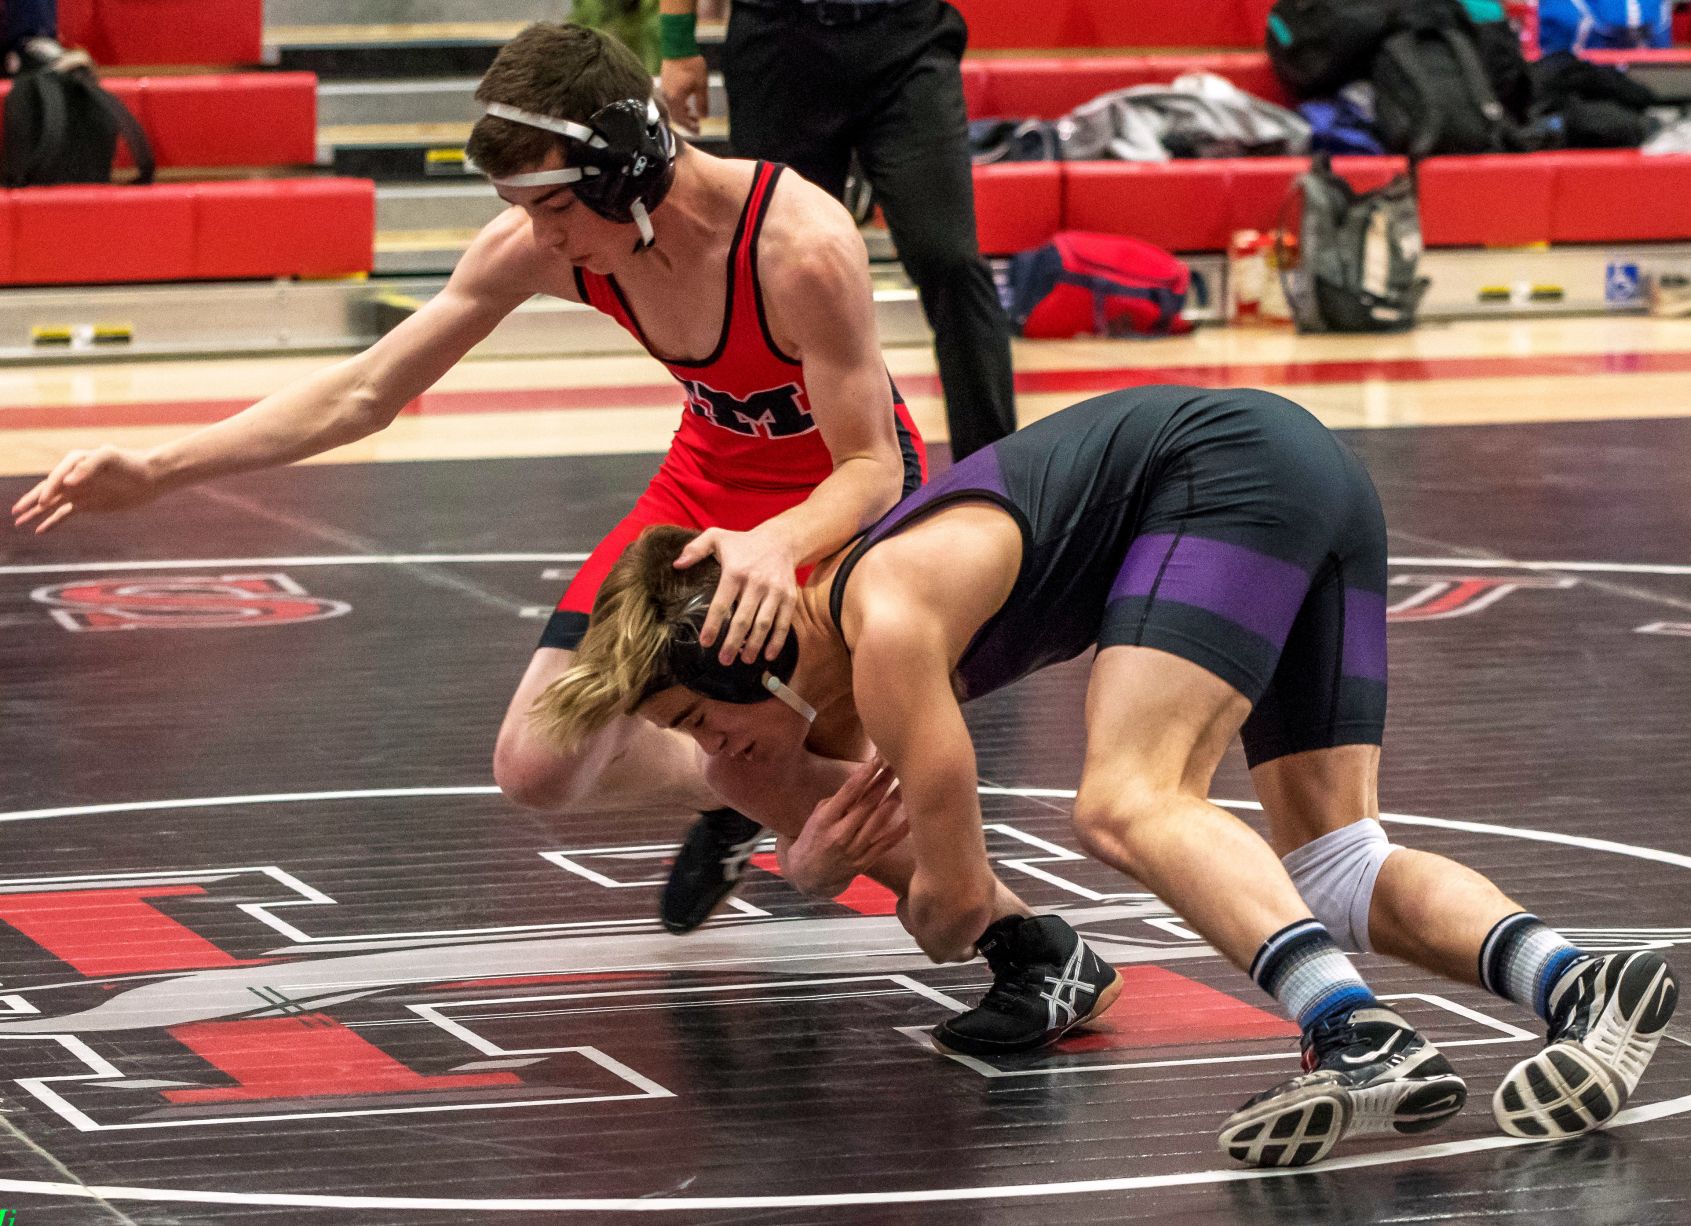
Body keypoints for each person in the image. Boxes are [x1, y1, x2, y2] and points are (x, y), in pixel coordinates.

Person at [536, 383, 1680, 1168]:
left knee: (1126, 799)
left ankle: (1355, 1033)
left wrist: (832, 868)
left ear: (745, 657)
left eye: (701, 720)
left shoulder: (886, 618)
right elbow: (940, 895)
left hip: (1226, 473)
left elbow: (952, 911)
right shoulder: (847, 649)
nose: (714, 755)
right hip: (1292, 470)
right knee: (1334, 862)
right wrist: (818, 864)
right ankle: (1577, 983)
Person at [9, 21, 917, 933]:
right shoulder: (545, 242)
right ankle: (738, 791)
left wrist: (779, 541)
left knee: (823, 767)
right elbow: (365, 391)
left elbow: (873, 467)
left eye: (552, 207)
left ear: (628, 174)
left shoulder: (797, 245)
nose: (541, 237)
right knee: (539, 769)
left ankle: (992, 928)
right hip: (705, 481)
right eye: (521, 208)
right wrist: (157, 469)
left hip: (834, 499)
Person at [657, 0, 1017, 462]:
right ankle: (794, 466)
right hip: (780, 44)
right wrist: (677, 44)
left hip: (905, 39)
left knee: (950, 257)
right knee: (775, 271)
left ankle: (993, 469)